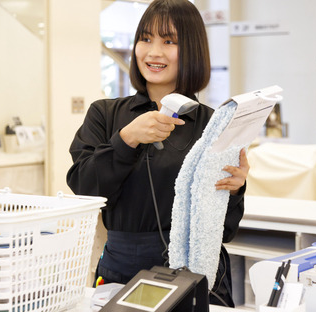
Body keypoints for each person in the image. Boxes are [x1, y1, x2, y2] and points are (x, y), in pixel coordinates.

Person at [66, 0, 248, 307]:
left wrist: (235, 188)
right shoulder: (105, 114)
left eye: (169, 41)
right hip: (120, 273)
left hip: (196, 275)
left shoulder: (215, 124)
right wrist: (126, 139)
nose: (153, 52)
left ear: (192, 49)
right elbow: (85, 188)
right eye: (145, 39)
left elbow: (226, 229)